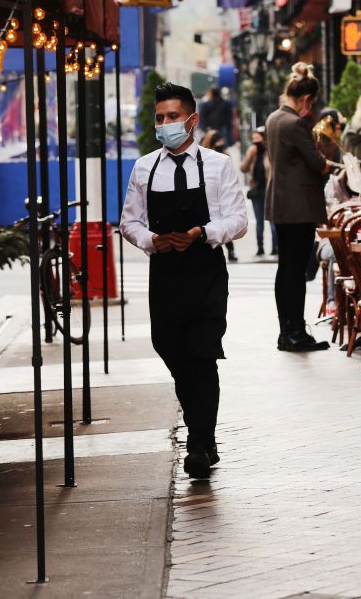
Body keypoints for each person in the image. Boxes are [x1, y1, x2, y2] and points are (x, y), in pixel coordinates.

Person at [121, 82, 247, 479]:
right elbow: (129, 222)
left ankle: (199, 442)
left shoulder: (218, 165)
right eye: (159, 119)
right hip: (165, 273)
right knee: (172, 352)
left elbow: (239, 220)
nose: (165, 125)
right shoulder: (144, 167)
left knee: (202, 355)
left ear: (192, 120)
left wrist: (201, 233)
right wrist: (151, 241)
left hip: (206, 271)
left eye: (172, 117)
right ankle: (201, 433)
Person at [265, 62, 332, 353]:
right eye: (312, 103)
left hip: (281, 202)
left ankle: (287, 330)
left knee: (286, 269)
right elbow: (316, 162)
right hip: (299, 206)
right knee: (297, 270)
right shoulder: (296, 123)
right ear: (306, 99)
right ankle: (295, 332)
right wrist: (326, 163)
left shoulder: (274, 118)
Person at [200, 131, 238, 261]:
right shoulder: (203, 156)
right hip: (208, 194)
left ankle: (230, 249)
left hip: (221, 195)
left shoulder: (224, 157)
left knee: (224, 222)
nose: (220, 146)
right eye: (217, 145)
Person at [239, 126, 277, 257]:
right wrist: (250, 155)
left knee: (272, 220)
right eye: (253, 140)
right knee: (258, 221)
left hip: (269, 191)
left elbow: (273, 170)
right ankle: (260, 247)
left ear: (264, 139)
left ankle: (275, 247)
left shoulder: (270, 151)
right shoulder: (252, 152)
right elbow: (243, 168)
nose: (256, 142)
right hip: (256, 192)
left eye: (258, 139)